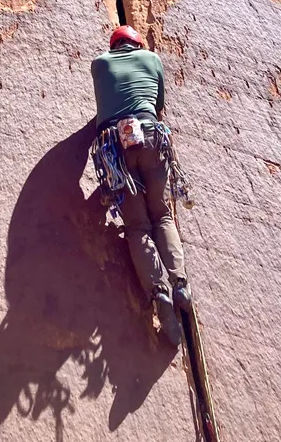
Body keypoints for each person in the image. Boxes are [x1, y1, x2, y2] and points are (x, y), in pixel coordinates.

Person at [91, 25, 191, 348]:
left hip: (117, 147)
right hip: (151, 138)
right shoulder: (152, 58)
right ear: (137, 44)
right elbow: (159, 104)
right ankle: (179, 283)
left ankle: (159, 293)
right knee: (161, 214)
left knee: (137, 225)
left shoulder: (100, 63)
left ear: (114, 45)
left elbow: (102, 110)